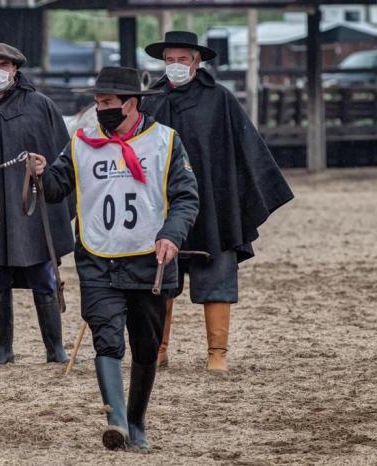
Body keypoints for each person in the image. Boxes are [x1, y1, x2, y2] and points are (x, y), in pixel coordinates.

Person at [30, 67, 199, 450]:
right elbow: (57, 188)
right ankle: (117, 422)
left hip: (150, 261)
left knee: (145, 344)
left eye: (107, 103)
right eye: (97, 102)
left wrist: (172, 235)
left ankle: (137, 421)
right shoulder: (81, 142)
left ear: (131, 103)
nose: (100, 108)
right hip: (97, 258)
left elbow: (187, 197)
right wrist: (40, 172)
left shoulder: (166, 142)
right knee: (106, 339)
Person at [142, 31, 294, 371]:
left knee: (217, 273)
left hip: (214, 202)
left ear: (197, 61)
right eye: (170, 60)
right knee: (159, 279)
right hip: (161, 204)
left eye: (183, 59)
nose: (176, 65)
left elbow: (245, 147)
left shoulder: (219, 99)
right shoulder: (150, 100)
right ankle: (157, 350)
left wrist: (247, 198)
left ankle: (217, 353)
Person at [0, 43, 74, 366]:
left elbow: (65, 155)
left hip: (31, 208)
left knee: (43, 275)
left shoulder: (40, 106)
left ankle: (55, 348)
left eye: (3, 65)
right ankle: (3, 348)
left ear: (15, 69)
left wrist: (45, 169)